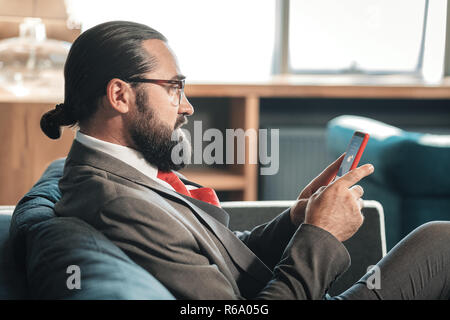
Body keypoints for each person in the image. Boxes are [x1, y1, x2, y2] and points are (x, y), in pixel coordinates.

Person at [40, 21, 450, 300]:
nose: (186, 106)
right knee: (442, 242)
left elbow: (223, 257)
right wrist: (321, 234)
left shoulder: (123, 173)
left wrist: (297, 218)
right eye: (173, 88)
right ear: (120, 95)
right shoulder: (117, 204)